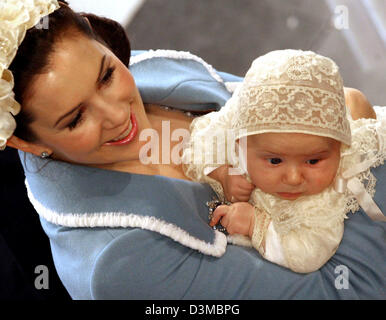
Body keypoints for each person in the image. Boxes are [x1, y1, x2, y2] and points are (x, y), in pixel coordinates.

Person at [1, 0, 385, 299]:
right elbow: (350, 292)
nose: (118, 114)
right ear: (24, 142)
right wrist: (364, 150)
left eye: (106, 76)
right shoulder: (122, 266)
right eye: (75, 119)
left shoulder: (149, 70)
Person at [182, 49, 385, 273]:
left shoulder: (324, 197)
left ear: (339, 149)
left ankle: (357, 107)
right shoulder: (239, 132)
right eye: (275, 160)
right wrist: (221, 173)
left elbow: (308, 254)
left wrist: (254, 224)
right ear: (242, 145)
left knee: (358, 105)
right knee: (353, 99)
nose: (294, 178)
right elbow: (199, 143)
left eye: (313, 161)